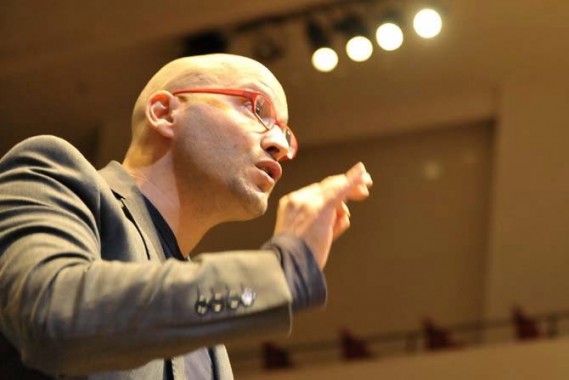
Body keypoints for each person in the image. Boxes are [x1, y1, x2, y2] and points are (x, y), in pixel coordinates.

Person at [0, 53, 372, 379]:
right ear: (164, 113)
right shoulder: (53, 172)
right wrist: (280, 270)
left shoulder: (211, 349)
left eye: (285, 132)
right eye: (258, 108)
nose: (279, 146)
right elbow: (52, 317)